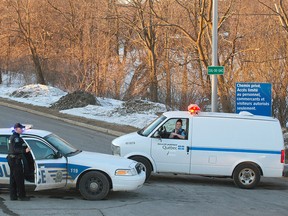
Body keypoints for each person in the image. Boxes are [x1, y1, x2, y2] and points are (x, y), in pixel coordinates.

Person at [7, 123, 30, 201]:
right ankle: (22, 196)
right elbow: (16, 149)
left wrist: (27, 128)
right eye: (21, 129)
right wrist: (25, 150)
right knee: (19, 178)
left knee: (13, 178)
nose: (22, 130)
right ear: (17, 129)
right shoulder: (16, 138)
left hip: (12, 159)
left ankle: (13, 196)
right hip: (15, 160)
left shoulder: (13, 136)